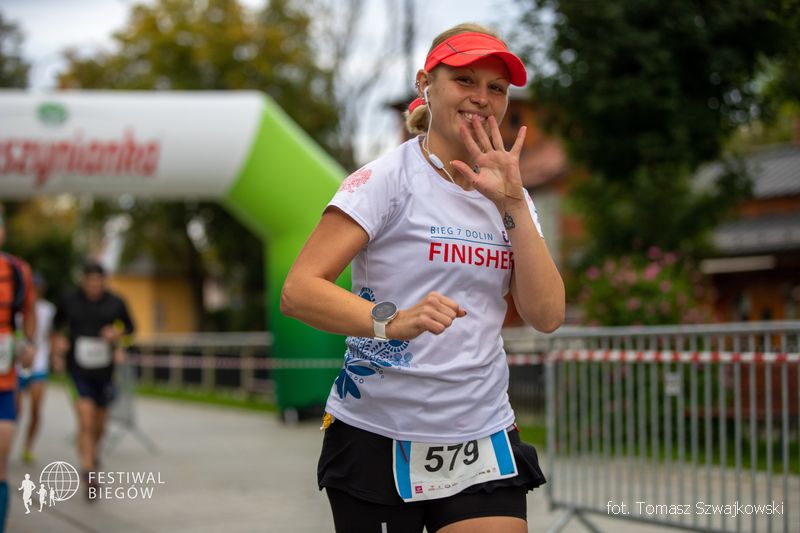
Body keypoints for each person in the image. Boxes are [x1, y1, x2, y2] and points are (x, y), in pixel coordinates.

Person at [281, 23, 565, 533]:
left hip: (481, 432)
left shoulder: (511, 194)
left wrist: (513, 204)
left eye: (496, 87)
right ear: (425, 84)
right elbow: (299, 290)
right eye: (465, 80)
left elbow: (546, 316)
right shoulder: (385, 180)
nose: (482, 98)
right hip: (379, 431)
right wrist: (392, 320)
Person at [52, 260, 134, 498]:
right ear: (83, 281)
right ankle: (88, 472)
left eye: (98, 282)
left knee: (99, 425)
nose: (94, 286)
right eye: (90, 282)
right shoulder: (70, 300)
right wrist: (58, 345)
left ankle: (92, 454)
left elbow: (130, 327)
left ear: (104, 281)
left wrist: (117, 334)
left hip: (105, 371)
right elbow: (56, 325)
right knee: (85, 420)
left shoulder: (116, 302)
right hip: (78, 369)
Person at [0, 207, 36, 529]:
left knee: (0, 462)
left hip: (4, 382)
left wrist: (29, 343)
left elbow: (29, 312)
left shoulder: (17, 270)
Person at [16, 272, 56, 465]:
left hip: (39, 363)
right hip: (17, 364)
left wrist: (55, 356)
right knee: (15, 409)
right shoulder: (17, 307)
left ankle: (28, 447)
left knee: (35, 408)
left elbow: (51, 334)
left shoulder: (48, 309)